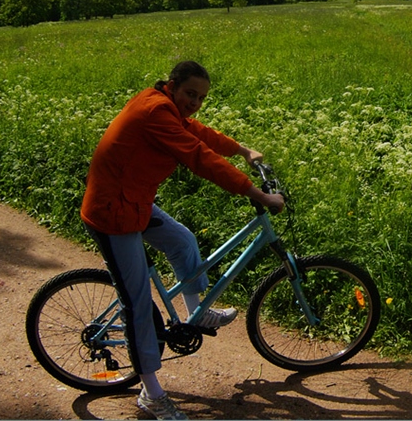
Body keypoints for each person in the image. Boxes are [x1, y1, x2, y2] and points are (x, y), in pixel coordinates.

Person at [80, 61, 283, 420]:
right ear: (172, 85)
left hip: (135, 201)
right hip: (112, 211)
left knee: (183, 241)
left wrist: (241, 150)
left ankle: (195, 313)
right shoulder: (154, 111)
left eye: (202, 97)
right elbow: (198, 156)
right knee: (139, 303)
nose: (195, 102)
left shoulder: (164, 105)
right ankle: (151, 394)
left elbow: (197, 132)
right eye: (190, 93)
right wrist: (256, 193)